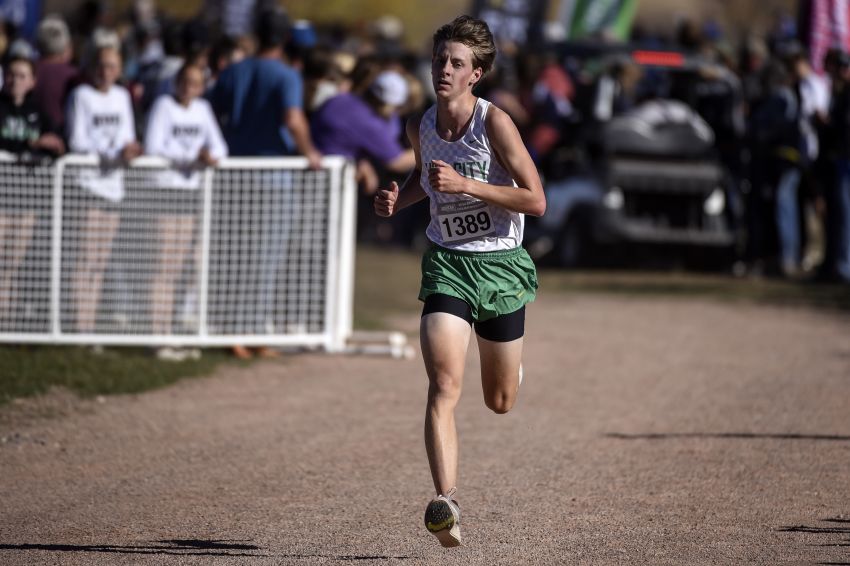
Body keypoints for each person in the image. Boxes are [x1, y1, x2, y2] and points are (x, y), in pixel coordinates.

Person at [373, 15, 545, 547]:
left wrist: (470, 184)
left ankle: (510, 372)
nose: (443, 70)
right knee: (444, 385)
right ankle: (445, 502)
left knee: (499, 400)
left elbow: (535, 200)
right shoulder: (420, 124)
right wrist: (401, 197)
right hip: (448, 261)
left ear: (477, 74)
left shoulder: (495, 124)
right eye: (438, 60)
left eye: (455, 63)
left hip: (500, 264)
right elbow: (428, 180)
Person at [208, 9, 322, 359]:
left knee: (233, 254)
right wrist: (310, 153)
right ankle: (250, 332)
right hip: (273, 179)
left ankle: (232, 330)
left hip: (235, 174)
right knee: (265, 258)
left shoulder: (234, 71)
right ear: (285, 38)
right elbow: (293, 118)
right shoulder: (286, 75)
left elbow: (209, 110)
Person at [144, 62, 228, 360]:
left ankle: (171, 332)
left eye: (196, 83)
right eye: (185, 82)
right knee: (163, 265)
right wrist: (193, 156)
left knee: (180, 266)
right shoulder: (164, 106)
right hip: (167, 189)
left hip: (190, 193)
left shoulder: (203, 109)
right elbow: (154, 147)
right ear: (177, 82)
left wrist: (210, 156)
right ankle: (158, 336)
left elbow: (220, 147)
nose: (189, 89)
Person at [66, 45, 142, 334]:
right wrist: (111, 151)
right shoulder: (81, 96)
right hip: (89, 184)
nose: (106, 71)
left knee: (100, 259)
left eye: (112, 66)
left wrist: (129, 150)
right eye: (102, 65)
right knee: (85, 257)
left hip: (114, 186)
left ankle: (89, 325)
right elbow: (78, 141)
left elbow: (127, 135)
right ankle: (78, 327)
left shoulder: (122, 97)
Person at [0, 56, 66, 328]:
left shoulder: (38, 111)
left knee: (13, 264)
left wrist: (52, 145)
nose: (16, 80)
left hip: (26, 197)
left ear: (33, 81)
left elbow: (57, 142)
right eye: (12, 74)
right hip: (2, 195)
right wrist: (29, 144)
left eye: (23, 75)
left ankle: (8, 321)